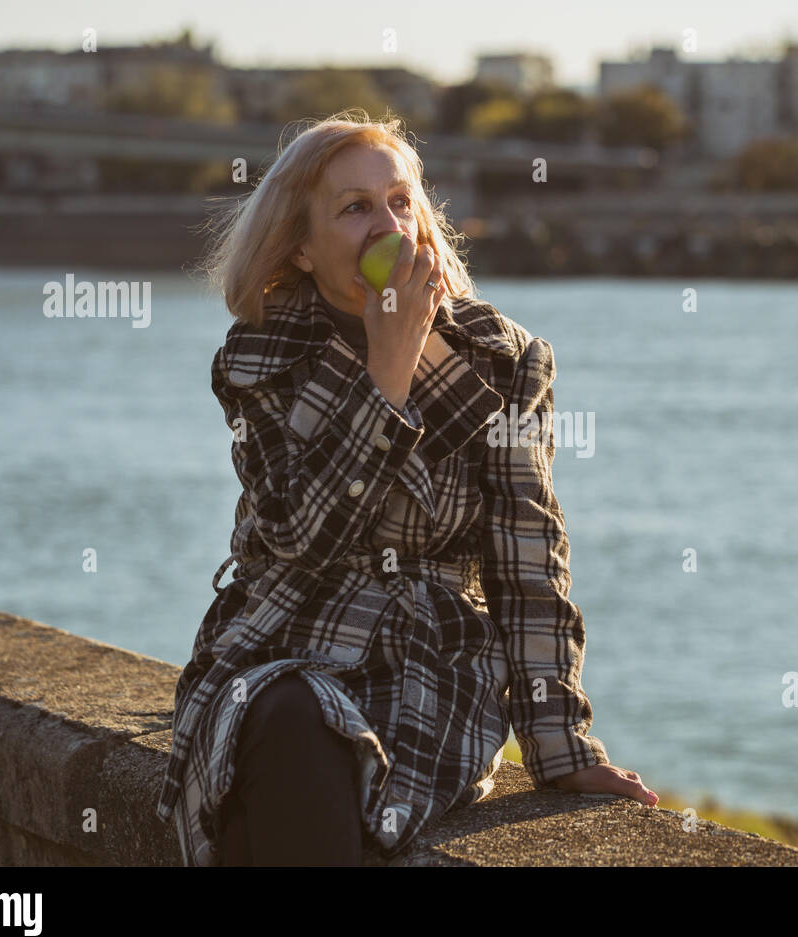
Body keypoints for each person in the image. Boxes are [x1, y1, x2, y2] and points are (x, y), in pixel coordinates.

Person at [155, 109, 656, 866]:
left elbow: (527, 557)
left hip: (430, 662)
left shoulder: (504, 360)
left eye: (399, 200)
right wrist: (386, 370)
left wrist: (559, 746)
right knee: (292, 719)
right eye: (354, 208)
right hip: (284, 639)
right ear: (300, 246)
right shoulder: (259, 358)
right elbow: (297, 537)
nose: (388, 224)